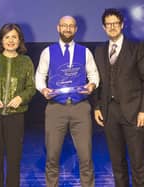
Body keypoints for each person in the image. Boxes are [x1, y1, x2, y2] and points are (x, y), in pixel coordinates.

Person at [35, 15, 99, 187]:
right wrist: (43, 89)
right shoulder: (47, 52)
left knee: (86, 157)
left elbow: (94, 74)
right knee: (52, 156)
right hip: (56, 108)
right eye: (64, 25)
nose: (67, 29)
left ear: (76, 29)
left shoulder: (85, 52)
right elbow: (40, 76)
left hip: (80, 108)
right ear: (58, 28)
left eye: (71, 26)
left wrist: (92, 85)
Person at [93, 9, 144, 187]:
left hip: (134, 111)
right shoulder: (99, 51)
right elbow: (98, 83)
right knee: (117, 163)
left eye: (115, 23)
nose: (112, 27)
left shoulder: (137, 48)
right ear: (104, 27)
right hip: (109, 113)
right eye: (108, 24)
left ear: (122, 25)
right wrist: (97, 106)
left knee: (138, 163)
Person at [0, 23, 35, 187]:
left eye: (14, 37)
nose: (10, 40)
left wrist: (20, 98)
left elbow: (31, 87)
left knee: (14, 160)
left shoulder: (26, 61)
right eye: (7, 37)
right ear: (1, 40)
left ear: (20, 40)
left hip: (15, 117)